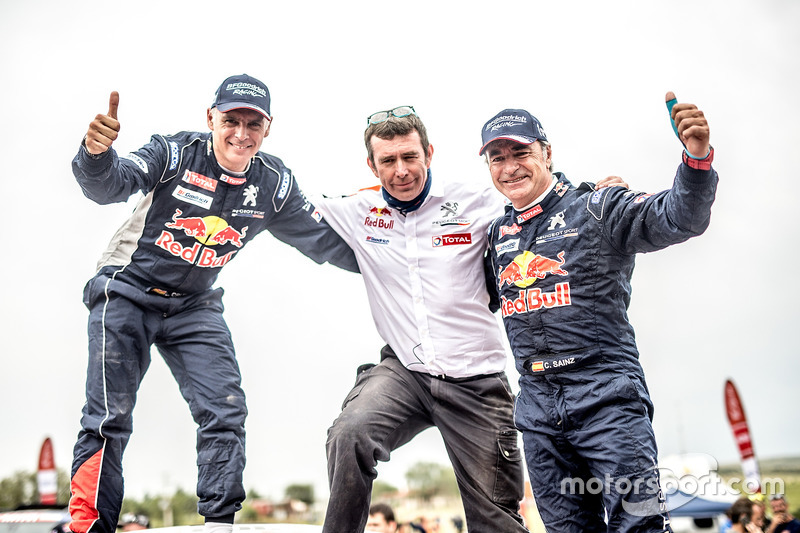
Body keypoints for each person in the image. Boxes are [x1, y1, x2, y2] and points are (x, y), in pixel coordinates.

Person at [68, 74, 358, 533]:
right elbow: (110, 186)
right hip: (125, 291)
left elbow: (325, 242)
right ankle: (90, 528)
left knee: (225, 410)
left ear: (268, 129)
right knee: (109, 416)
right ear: (210, 119)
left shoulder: (274, 184)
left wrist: (400, 260)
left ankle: (219, 524)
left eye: (253, 124)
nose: (241, 134)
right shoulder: (174, 153)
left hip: (194, 306)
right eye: (231, 121)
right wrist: (97, 156)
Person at [312, 106, 624, 533]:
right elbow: (288, 211)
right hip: (405, 371)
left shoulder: (477, 201)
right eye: (388, 161)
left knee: (495, 522)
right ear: (372, 165)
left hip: (477, 383)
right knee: (350, 431)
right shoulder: (356, 209)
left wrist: (592, 192)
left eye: (409, 157)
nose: (401, 170)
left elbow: (538, 195)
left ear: (429, 154)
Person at [481, 92, 718, 532]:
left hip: (607, 400)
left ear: (546, 153)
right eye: (497, 157)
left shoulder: (598, 207)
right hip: (537, 410)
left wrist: (696, 158)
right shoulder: (495, 236)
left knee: (640, 526)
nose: (509, 165)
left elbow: (680, 218)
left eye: (520, 152)